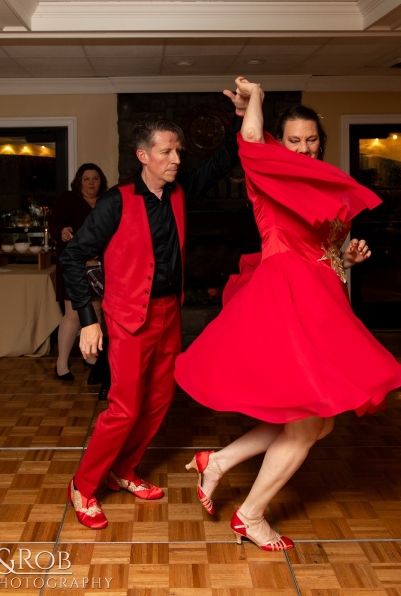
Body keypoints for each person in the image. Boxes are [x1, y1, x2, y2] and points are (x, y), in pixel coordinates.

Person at [175, 77, 401, 552]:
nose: (303, 149)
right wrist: (256, 101)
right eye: (293, 141)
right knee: (307, 423)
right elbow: (249, 140)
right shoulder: (268, 173)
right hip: (286, 300)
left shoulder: (319, 182)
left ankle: (217, 463)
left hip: (322, 299)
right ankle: (250, 515)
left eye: (310, 141)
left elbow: (325, 250)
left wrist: (348, 258)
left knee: (317, 421)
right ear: (278, 143)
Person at [59, 90, 250, 530]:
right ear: (144, 155)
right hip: (127, 317)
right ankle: (83, 486)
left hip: (169, 314)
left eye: (178, 151)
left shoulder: (180, 192)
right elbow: (73, 256)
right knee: (124, 407)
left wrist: (242, 119)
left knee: (159, 401)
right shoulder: (115, 202)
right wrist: (89, 321)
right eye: (167, 151)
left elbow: (222, 161)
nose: (176, 159)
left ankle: (123, 470)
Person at [49, 163, 110, 392]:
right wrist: (62, 231)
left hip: (99, 266)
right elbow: (54, 224)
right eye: (87, 179)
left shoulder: (106, 202)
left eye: (95, 178)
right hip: (74, 266)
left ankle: (91, 356)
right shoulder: (68, 199)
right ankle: (61, 363)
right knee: (73, 315)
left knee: (96, 312)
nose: (91, 183)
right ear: (79, 181)